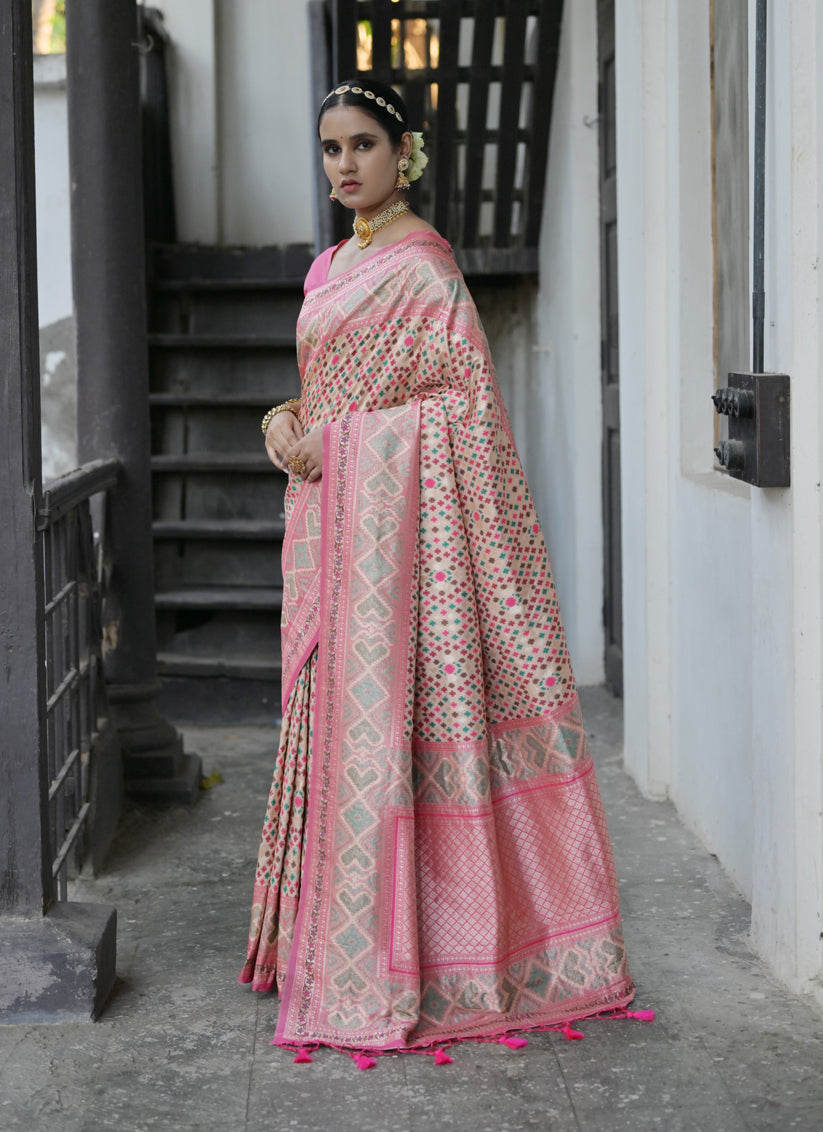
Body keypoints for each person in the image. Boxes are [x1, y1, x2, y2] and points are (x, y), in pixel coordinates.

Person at [239, 77, 638, 1060]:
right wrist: (283, 423)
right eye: (331, 146)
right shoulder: (329, 267)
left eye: (363, 145)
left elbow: (467, 418)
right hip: (334, 533)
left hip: (409, 550)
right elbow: (317, 391)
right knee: (327, 721)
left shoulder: (424, 270)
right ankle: (321, 941)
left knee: (406, 730)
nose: (344, 164)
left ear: (404, 152)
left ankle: (431, 953)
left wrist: (343, 445)